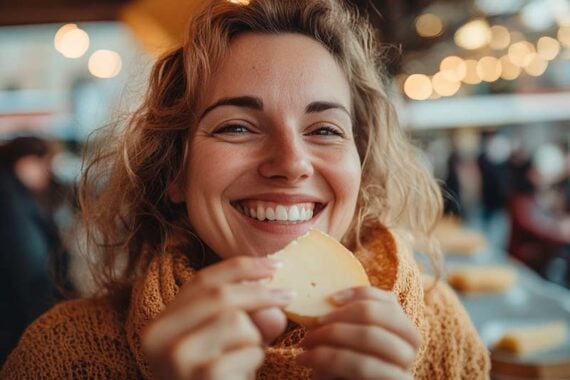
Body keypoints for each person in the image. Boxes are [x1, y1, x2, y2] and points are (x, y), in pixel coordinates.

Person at [2, 0, 490, 378]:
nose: (292, 163)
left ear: (360, 167)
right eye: (237, 127)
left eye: (325, 130)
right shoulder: (59, 353)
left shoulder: (444, 332)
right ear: (175, 170)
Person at [0, 136, 66, 364]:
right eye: (45, 164)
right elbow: (30, 267)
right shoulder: (10, 202)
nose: (48, 173)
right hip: (17, 325)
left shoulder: (14, 195)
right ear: (26, 162)